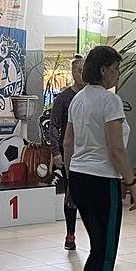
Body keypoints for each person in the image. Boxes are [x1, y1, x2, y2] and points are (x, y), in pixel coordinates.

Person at [64, 45, 136, 271]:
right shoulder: (111, 101)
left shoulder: (78, 99)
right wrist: (131, 182)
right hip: (102, 179)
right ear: (104, 69)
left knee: (97, 247)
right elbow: (116, 149)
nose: (118, 74)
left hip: (79, 176)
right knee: (106, 252)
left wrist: (71, 178)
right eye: (116, 69)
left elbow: (68, 144)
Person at [49, 54, 84, 250]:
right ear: (73, 73)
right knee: (72, 192)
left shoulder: (94, 96)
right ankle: (70, 235)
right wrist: (56, 152)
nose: (83, 74)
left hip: (88, 151)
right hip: (69, 152)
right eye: (79, 71)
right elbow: (54, 126)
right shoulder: (64, 98)